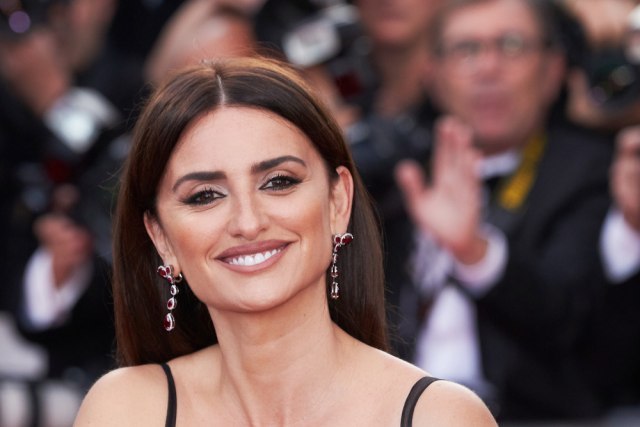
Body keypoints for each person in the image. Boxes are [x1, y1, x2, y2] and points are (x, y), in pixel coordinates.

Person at [73, 56, 497, 426]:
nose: (248, 222)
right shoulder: (126, 409)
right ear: (161, 237)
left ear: (337, 201)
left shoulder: (438, 416)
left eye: (278, 182)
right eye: (205, 196)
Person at [394, 0, 614, 421]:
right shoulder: (398, 176)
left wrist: (475, 253)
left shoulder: (590, 171)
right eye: (466, 49)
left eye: (512, 46)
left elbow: (572, 321)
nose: (488, 68)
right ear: (433, 75)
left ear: (553, 70)